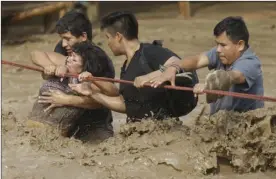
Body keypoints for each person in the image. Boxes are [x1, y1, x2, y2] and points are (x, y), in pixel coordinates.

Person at [69, 11, 198, 123]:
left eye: (108, 38)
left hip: (165, 128)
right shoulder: (126, 67)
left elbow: (177, 63)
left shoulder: (150, 51)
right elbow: (126, 105)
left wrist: (150, 76)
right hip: (143, 130)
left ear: (118, 37)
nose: (108, 43)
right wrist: (93, 94)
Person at [139, 16, 264, 115]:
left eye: (223, 45)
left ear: (240, 45)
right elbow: (197, 60)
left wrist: (209, 84)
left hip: (245, 128)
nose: (218, 49)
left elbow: (233, 76)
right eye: (217, 44)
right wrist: (173, 67)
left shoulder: (250, 62)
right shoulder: (221, 53)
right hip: (221, 123)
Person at [29, 11, 117, 142]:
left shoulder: (98, 59)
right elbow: (35, 54)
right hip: (68, 122)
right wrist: (50, 67)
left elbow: (105, 100)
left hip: (94, 124)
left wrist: (66, 100)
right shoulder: (66, 49)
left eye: (68, 39)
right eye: (62, 38)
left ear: (83, 37)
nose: (64, 44)